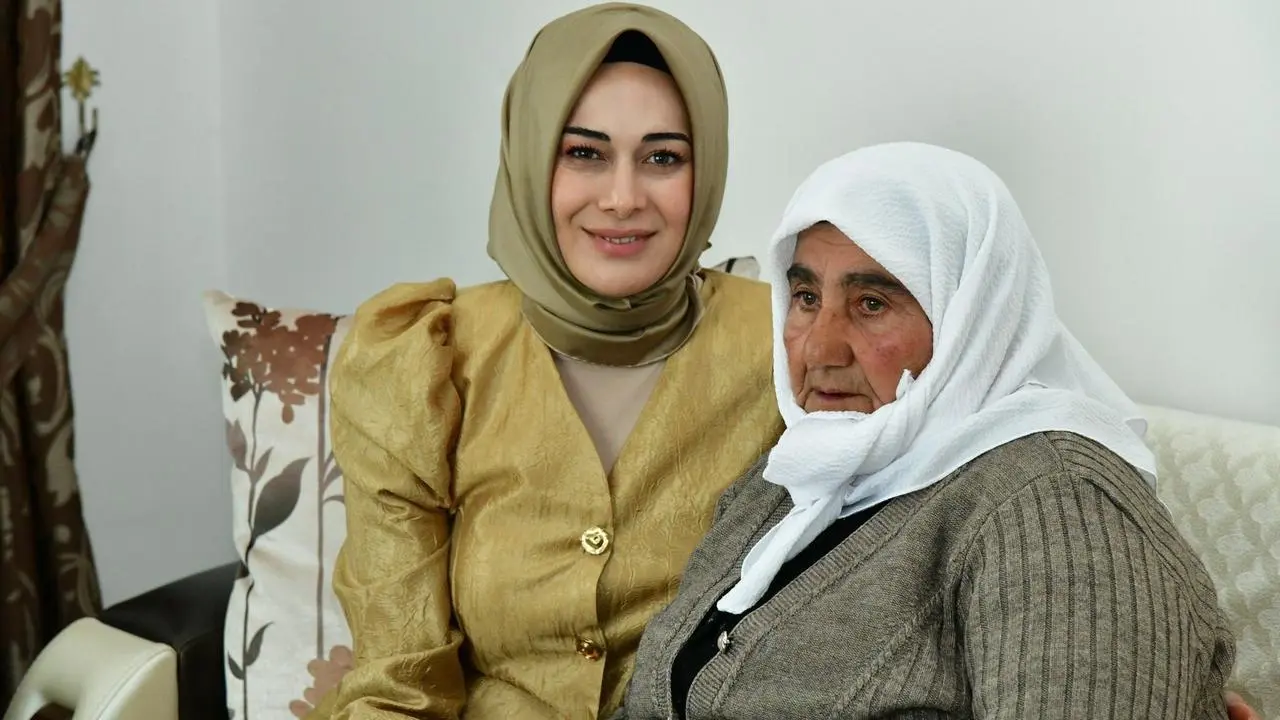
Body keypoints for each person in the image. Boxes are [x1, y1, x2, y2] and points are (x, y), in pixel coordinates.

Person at [614, 142, 1240, 719]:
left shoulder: (1063, 507)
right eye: (806, 298)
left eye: (871, 304)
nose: (819, 349)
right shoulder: (806, 469)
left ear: (971, 314)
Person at [311, 4, 783, 719]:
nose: (622, 198)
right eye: (584, 153)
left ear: (707, 169)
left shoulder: (789, 344)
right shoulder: (424, 357)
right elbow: (398, 680)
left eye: (663, 158)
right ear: (530, 159)